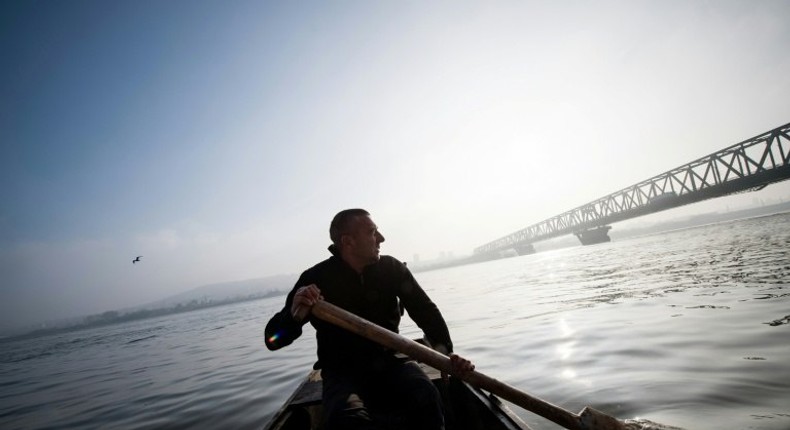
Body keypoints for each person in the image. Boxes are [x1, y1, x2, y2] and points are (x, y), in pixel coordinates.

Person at [265, 208, 474, 430]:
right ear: (348, 241)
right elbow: (272, 340)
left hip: (392, 364)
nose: (381, 238)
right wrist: (294, 317)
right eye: (373, 232)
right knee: (347, 420)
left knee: (426, 396)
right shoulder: (315, 279)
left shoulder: (391, 269)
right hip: (342, 373)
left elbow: (426, 313)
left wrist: (446, 354)